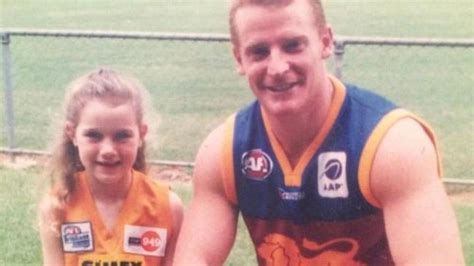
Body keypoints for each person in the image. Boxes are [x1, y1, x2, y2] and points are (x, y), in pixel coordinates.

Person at [174, 0, 465, 265]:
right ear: (239, 59)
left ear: (325, 42)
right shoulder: (224, 151)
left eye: (293, 45)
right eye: (259, 52)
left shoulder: (391, 144)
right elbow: (194, 258)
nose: (277, 67)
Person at [38, 68, 183, 266]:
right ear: (72, 134)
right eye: (94, 135)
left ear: (141, 134)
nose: (108, 150)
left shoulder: (168, 207)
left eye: (122, 136)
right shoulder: (57, 206)